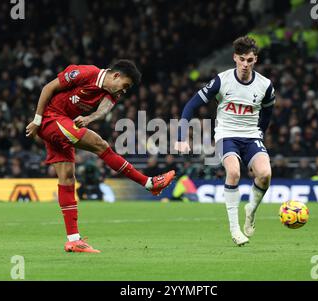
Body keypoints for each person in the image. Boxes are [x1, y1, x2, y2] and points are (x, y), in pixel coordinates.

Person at [26, 60, 175, 253]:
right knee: (100, 145)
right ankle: (148, 183)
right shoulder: (87, 73)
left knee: (67, 178)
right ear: (116, 76)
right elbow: (48, 87)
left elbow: (104, 110)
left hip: (62, 123)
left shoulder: (111, 93)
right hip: (51, 118)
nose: (125, 91)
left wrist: (89, 118)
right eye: (125, 85)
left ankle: (73, 240)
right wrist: (37, 121)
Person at [175, 36, 275, 246]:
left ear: (255, 59)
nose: (245, 64)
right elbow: (190, 106)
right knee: (234, 172)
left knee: (265, 174)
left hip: (251, 136)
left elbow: (267, 114)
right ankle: (235, 229)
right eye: (241, 59)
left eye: (250, 60)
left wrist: (261, 136)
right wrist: (181, 137)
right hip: (226, 134)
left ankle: (250, 210)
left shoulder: (265, 85)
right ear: (234, 58)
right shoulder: (222, 80)